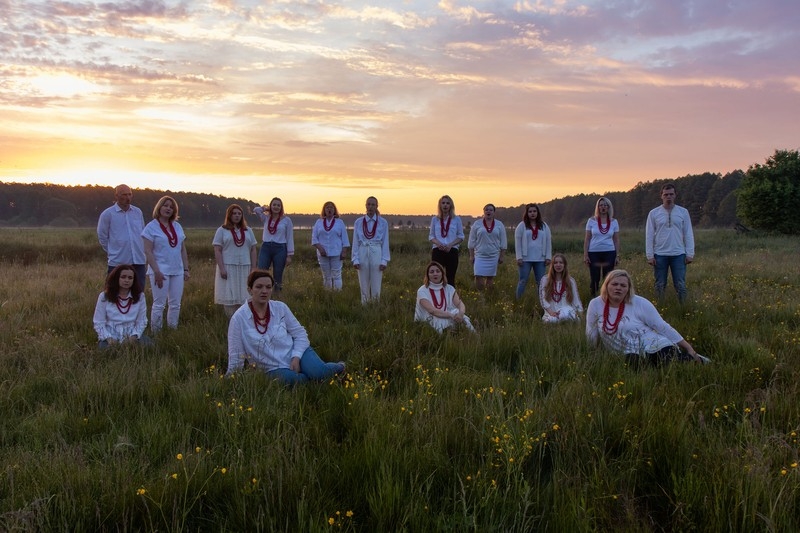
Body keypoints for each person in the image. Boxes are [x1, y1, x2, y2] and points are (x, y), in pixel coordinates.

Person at [226, 270, 346, 384]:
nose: (264, 291)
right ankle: (317, 380)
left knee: (318, 372)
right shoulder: (239, 319)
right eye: (259, 287)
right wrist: (230, 379)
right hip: (271, 368)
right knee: (295, 381)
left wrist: (296, 357)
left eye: (268, 287)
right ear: (250, 290)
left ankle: (340, 367)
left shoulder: (280, 308)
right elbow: (236, 355)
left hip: (295, 352)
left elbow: (300, 334)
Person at [586, 270, 710, 366]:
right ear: (606, 286)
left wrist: (688, 347)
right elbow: (591, 332)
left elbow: (662, 326)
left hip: (654, 345)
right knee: (633, 364)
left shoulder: (639, 302)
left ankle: (694, 358)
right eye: (614, 284)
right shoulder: (596, 304)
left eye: (623, 285)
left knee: (668, 363)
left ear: (628, 289)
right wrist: (593, 355)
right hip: (627, 353)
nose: (618, 288)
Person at [142, 196, 189, 332]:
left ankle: (172, 331)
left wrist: (186, 269)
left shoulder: (177, 226)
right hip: (160, 271)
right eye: (165, 205)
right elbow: (148, 251)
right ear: (159, 207)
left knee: (175, 304)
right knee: (159, 304)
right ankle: (156, 333)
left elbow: (182, 249)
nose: (168, 208)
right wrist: (156, 271)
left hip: (177, 270)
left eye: (171, 207)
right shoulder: (151, 227)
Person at [645, 183, 695, 303]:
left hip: (678, 254)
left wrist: (690, 253)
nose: (669, 197)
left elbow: (688, 233)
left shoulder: (683, 212)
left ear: (675, 195)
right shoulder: (654, 213)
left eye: (671, 194)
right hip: (660, 254)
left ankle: (683, 309)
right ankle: (659, 311)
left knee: (680, 284)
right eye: (666, 194)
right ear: (661, 196)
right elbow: (649, 235)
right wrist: (650, 255)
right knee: (660, 284)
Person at [97, 184, 147, 286]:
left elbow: (142, 232)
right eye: (124, 194)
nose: (127, 197)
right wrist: (113, 250)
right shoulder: (108, 214)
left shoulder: (137, 212)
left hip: (138, 260)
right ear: (116, 196)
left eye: (130, 194)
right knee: (113, 293)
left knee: (138, 293)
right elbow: (102, 236)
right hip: (118, 261)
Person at [213, 204, 258, 317]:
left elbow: (253, 249)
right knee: (229, 294)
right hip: (228, 267)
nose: (237, 216)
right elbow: (217, 250)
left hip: (245, 266)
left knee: (245, 294)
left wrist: (253, 268)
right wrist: (222, 268)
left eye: (239, 213)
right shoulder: (222, 230)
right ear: (229, 215)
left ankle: (243, 319)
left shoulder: (248, 230)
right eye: (234, 213)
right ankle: (230, 320)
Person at [93, 264, 152, 348]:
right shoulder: (104, 296)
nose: (126, 280)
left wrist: (133, 336)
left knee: (150, 347)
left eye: (130, 278)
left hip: (132, 334)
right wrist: (109, 338)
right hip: (111, 334)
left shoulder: (140, 296)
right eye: (123, 277)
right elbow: (98, 322)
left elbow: (142, 321)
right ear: (116, 278)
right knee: (106, 351)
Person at [415, 261, 475, 333]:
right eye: (432, 272)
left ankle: (474, 335)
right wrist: (451, 315)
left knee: (461, 315)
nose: (435, 274)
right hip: (429, 316)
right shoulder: (422, 290)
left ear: (442, 274)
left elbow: (459, 304)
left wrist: (461, 314)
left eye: (438, 271)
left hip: (447, 314)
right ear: (427, 275)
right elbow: (432, 310)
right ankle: (446, 336)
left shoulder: (449, 288)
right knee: (438, 320)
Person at [351, 196, 390, 304]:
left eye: (373, 205)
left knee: (376, 281)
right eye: (368, 204)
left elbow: (385, 241)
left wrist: (384, 260)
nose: (370, 207)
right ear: (365, 205)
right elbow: (355, 241)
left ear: (377, 206)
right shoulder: (358, 222)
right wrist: (355, 259)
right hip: (362, 250)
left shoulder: (383, 222)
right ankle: (365, 305)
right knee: (363, 282)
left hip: (376, 250)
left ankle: (375, 304)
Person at [253, 197, 294, 291]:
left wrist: (289, 256)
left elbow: (289, 238)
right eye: (274, 205)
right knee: (261, 272)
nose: (276, 207)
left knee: (278, 274)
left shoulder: (287, 220)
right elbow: (256, 210)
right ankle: (261, 292)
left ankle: (277, 296)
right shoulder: (266, 218)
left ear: (281, 207)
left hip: (280, 249)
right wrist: (265, 208)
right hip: (266, 247)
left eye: (278, 205)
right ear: (270, 206)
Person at [583, 196, 620, 298]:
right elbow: (587, 239)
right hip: (594, 253)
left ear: (609, 207)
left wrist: (617, 255)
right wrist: (585, 255)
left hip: (609, 252)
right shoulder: (591, 221)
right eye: (601, 205)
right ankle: (593, 299)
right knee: (595, 278)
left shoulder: (614, 222)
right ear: (598, 207)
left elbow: (616, 239)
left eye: (605, 205)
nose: (603, 207)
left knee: (608, 278)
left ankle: (607, 298)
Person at [514, 203, 552, 299]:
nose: (532, 213)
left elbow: (548, 241)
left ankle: (541, 302)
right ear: (527, 213)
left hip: (540, 259)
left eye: (534, 211)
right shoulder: (522, 225)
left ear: (537, 213)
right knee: (523, 280)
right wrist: (519, 257)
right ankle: (519, 300)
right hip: (525, 259)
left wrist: (548, 257)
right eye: (530, 211)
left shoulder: (544, 226)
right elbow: (517, 242)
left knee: (540, 282)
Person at [311, 201, 350, 290]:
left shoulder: (339, 222)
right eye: (327, 207)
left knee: (336, 275)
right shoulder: (319, 222)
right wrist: (320, 248)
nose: (329, 209)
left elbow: (345, 238)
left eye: (331, 207)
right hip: (322, 253)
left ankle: (337, 295)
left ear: (334, 210)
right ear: (324, 210)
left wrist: (344, 251)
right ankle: (328, 294)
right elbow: (314, 238)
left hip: (336, 253)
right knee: (326, 275)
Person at [428, 195, 465, 287]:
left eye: (447, 203)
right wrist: (438, 244)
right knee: (436, 276)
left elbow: (461, 236)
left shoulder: (456, 219)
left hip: (452, 250)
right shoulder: (435, 219)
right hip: (438, 250)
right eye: (443, 203)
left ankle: (451, 299)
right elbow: (431, 236)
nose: (445, 205)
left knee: (450, 277)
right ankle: (436, 297)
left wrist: (450, 245)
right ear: (440, 205)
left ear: (451, 205)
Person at [469, 204, 507, 290]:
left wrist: (502, 256)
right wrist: (471, 256)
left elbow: (503, 241)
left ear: (494, 212)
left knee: (490, 277)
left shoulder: (499, 224)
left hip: (493, 255)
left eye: (490, 210)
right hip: (479, 255)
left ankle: (488, 296)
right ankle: (480, 295)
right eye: (486, 210)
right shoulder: (477, 223)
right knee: (478, 275)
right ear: (483, 211)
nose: (488, 211)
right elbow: (471, 241)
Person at [539, 253, 582, 323]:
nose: (558, 265)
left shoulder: (571, 281)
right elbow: (543, 299)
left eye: (561, 262)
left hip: (566, 310)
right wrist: (551, 312)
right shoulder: (545, 280)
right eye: (555, 263)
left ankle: (564, 318)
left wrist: (580, 313)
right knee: (550, 321)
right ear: (552, 265)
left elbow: (576, 299)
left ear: (564, 265)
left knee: (568, 316)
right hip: (551, 313)